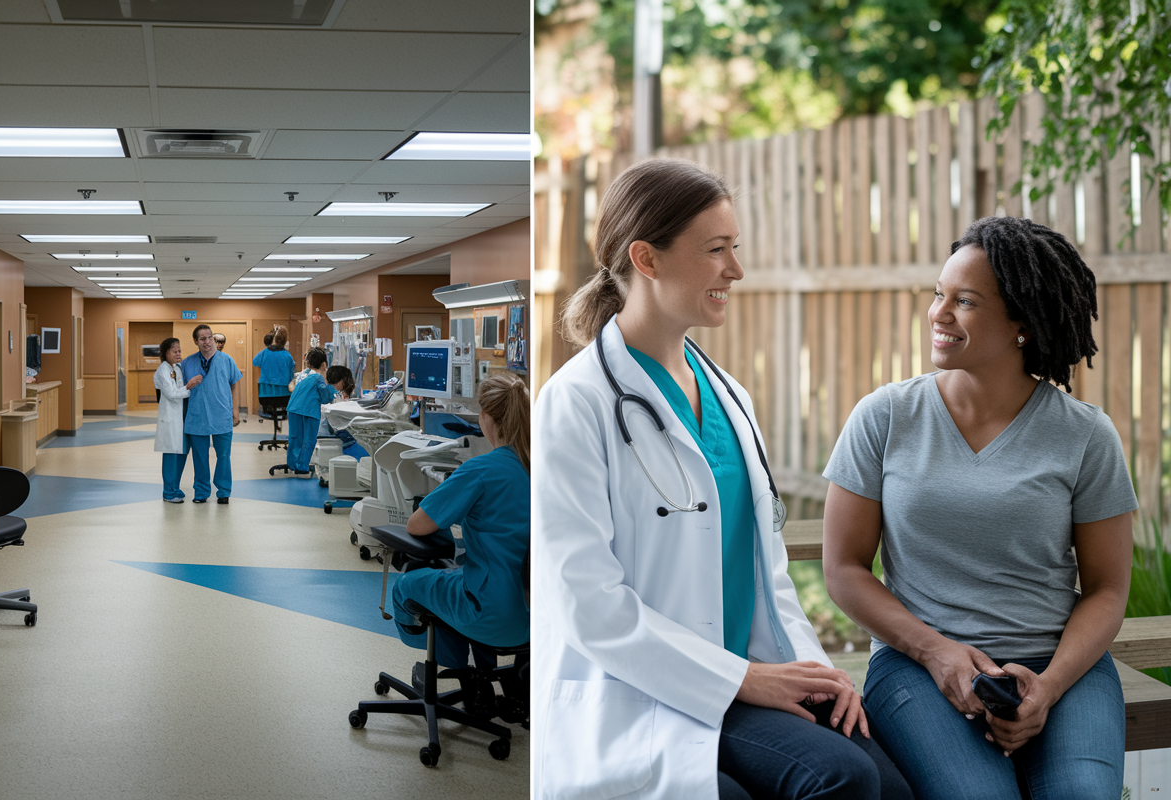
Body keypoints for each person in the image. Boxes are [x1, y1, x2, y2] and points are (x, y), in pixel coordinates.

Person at [533, 158, 912, 800]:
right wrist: (745, 680)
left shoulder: (729, 396)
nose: (735, 271)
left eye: (734, 249)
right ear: (646, 259)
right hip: (637, 692)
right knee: (842, 779)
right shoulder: (578, 401)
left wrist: (816, 672)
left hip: (745, 676)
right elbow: (589, 607)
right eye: (716, 251)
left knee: (891, 784)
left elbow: (768, 572)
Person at [821, 216, 1135, 800]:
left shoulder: (1086, 435)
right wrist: (935, 651)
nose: (939, 314)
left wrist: (1050, 685)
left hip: (1060, 666)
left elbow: (1107, 590)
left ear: (1022, 322)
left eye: (964, 301)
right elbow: (842, 570)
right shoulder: (885, 417)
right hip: (917, 666)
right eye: (939, 294)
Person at [392, 372, 530, 676]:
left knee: (406, 585)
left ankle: (447, 669)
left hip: (489, 614)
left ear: (487, 419)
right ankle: (475, 679)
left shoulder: (481, 470)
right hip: (537, 618)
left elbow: (418, 526)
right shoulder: (541, 467)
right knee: (459, 580)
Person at [181, 325, 242, 504]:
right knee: (200, 456)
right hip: (197, 415)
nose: (207, 342)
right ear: (196, 342)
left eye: (209, 338)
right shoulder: (188, 363)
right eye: (202, 339)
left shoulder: (226, 360)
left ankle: (223, 491)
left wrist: (235, 409)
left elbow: (234, 384)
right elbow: (180, 390)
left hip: (221, 414)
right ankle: (201, 491)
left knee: (224, 455)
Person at [153, 337, 201, 503]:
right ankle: (168, 491)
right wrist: (189, 386)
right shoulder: (162, 371)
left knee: (181, 453)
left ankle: (175, 487)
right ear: (166, 353)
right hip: (171, 418)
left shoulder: (178, 368)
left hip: (182, 418)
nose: (178, 354)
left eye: (179, 350)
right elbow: (173, 394)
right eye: (174, 351)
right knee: (171, 455)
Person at [285, 348, 342, 475]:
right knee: (309, 439)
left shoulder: (303, 375)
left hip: (293, 409)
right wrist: (334, 393)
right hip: (309, 411)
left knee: (295, 437)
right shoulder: (318, 378)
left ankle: (293, 463)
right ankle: (302, 466)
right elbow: (325, 397)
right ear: (324, 365)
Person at [253, 327, 295, 412]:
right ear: (285, 341)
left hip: (266, 395)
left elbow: (255, 362)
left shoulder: (263, 353)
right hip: (284, 396)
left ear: (274, 339)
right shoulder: (288, 356)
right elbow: (292, 376)